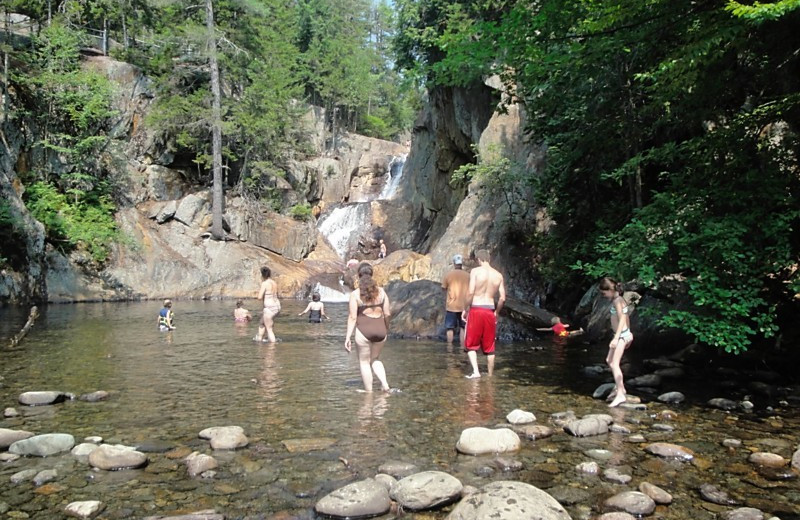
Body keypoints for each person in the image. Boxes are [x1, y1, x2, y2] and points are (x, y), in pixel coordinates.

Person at [345, 263, 393, 393]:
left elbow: (352, 317)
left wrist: (348, 337)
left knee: (364, 362)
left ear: (359, 276)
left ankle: (369, 393)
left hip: (364, 330)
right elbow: (387, 313)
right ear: (372, 275)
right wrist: (386, 327)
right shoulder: (382, 292)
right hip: (380, 329)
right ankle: (385, 385)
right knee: (375, 359)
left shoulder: (355, 294)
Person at [462, 250, 505, 378]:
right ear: (489, 259)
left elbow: (470, 292)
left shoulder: (475, 272)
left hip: (476, 308)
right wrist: (496, 312)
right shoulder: (498, 275)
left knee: (470, 344)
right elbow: (502, 298)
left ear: (479, 259)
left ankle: (476, 372)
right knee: (490, 346)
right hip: (490, 310)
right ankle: (490, 375)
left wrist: (465, 309)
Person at [600, 277, 633, 407]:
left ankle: (620, 394)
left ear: (611, 290)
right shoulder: (618, 300)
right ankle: (621, 387)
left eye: (604, 293)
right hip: (622, 335)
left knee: (614, 363)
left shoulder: (618, 301)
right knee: (609, 360)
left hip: (621, 336)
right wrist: (628, 333)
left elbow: (622, 319)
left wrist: (617, 338)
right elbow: (626, 317)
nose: (603, 296)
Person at [442, 254, 470, 345]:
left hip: (451, 306)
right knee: (463, 327)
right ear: (461, 264)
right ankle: (462, 347)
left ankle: (449, 348)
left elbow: (443, 288)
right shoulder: (468, 275)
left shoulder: (448, 275)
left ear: (454, 263)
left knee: (450, 328)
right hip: (464, 307)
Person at [256, 266, 280, 343]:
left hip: (269, 308)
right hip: (277, 307)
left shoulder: (265, 284)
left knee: (269, 329)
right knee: (262, 323)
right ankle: (259, 340)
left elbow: (259, 297)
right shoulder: (274, 282)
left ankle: (273, 346)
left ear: (262, 275)